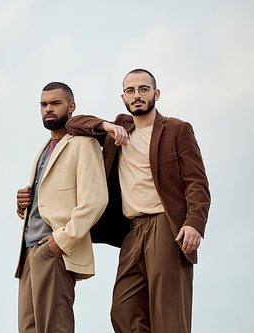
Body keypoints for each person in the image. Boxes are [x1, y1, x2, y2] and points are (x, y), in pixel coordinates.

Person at [65, 69, 211, 333]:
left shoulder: (177, 130)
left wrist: (194, 224)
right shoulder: (119, 129)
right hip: (131, 232)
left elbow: (197, 183)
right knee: (124, 311)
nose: (137, 95)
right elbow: (72, 124)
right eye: (130, 91)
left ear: (155, 94)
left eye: (143, 89)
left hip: (167, 228)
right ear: (123, 97)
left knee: (169, 315)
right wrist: (106, 126)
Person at [15, 82, 108, 333]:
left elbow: (96, 199)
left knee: (55, 328)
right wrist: (23, 203)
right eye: (44, 104)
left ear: (71, 107)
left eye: (55, 103)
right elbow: (49, 198)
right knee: (28, 329)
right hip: (28, 253)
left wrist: (61, 241)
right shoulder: (43, 150)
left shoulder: (83, 144)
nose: (48, 109)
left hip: (54, 249)